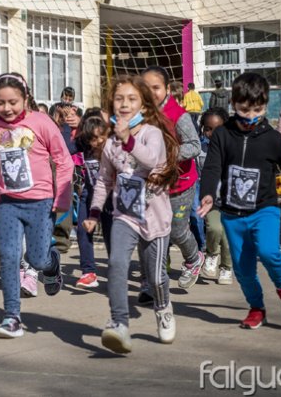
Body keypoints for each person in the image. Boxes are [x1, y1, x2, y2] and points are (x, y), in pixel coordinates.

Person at [198, 73, 281, 330]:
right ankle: (256, 307)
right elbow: (212, 166)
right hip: (232, 214)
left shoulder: (271, 138)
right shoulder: (222, 135)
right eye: (245, 109)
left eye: (258, 109)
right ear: (234, 104)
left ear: (266, 105)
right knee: (243, 271)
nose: (251, 115)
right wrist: (208, 194)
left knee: (268, 252)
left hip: (264, 210)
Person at [83, 75, 181, 354]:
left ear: (145, 106)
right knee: (116, 263)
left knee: (156, 277)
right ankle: (119, 323)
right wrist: (93, 211)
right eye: (118, 99)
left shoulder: (152, 134)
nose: (124, 104)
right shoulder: (111, 143)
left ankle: (163, 308)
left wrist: (128, 139)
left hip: (155, 218)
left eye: (131, 99)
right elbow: (104, 180)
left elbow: (150, 160)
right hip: (124, 215)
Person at [0, 74, 74, 338]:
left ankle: (52, 266)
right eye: (1, 102)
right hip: (8, 203)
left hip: (41, 203)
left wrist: (62, 198)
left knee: (37, 259)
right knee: (8, 258)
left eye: (13, 102)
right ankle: (11, 317)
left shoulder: (41, 122)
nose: (6, 108)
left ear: (25, 99)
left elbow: (64, 161)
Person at [142, 67, 204, 294]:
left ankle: (193, 259)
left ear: (167, 89)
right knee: (155, 229)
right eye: (146, 88)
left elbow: (195, 146)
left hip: (181, 184)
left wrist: (168, 154)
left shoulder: (179, 115)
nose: (151, 92)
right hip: (155, 184)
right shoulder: (141, 113)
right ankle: (157, 271)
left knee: (177, 230)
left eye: (156, 88)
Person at [73, 110, 112, 288]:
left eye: (99, 137)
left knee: (111, 235)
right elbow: (65, 148)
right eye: (92, 139)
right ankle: (88, 272)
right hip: (89, 194)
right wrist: (68, 127)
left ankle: (116, 269)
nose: (96, 143)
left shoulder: (113, 144)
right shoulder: (85, 142)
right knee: (83, 229)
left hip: (111, 197)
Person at [197, 107, 233, 286]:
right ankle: (212, 253)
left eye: (217, 129)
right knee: (214, 229)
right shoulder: (200, 149)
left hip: (230, 201)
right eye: (208, 129)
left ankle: (226, 267)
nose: (211, 133)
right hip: (209, 200)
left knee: (227, 236)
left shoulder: (232, 148)